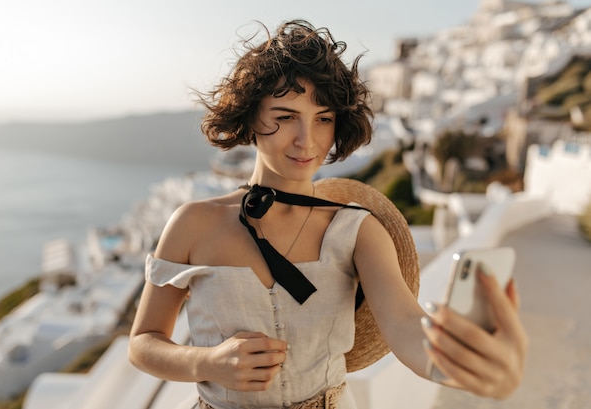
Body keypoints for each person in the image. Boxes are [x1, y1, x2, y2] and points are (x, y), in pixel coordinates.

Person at [128, 20, 527, 408]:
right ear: (250, 117)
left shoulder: (358, 230)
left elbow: (406, 326)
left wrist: (464, 366)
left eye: (323, 119)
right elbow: (143, 342)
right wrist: (208, 362)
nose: (307, 140)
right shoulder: (192, 223)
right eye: (285, 117)